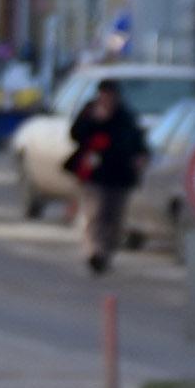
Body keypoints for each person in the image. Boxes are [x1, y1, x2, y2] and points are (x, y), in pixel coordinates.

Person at [68, 79, 147, 274]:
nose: (108, 99)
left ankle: (106, 252)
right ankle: (95, 252)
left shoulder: (125, 115)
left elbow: (137, 141)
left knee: (114, 218)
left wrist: (140, 157)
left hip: (120, 175)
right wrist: (94, 120)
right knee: (96, 214)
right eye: (104, 94)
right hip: (95, 174)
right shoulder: (90, 112)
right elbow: (75, 135)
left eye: (111, 95)